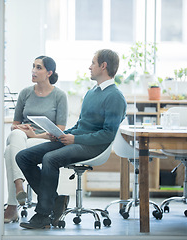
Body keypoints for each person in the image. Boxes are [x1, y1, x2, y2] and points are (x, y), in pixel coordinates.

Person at [16, 49, 127, 229]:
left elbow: (107, 134)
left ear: (103, 66)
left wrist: (75, 139)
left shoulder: (115, 97)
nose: (89, 67)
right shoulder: (92, 92)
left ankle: (43, 215)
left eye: (93, 63)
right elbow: (80, 125)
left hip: (95, 147)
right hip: (79, 140)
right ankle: (54, 201)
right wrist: (61, 134)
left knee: (50, 159)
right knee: (23, 157)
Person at [4, 56, 68, 223]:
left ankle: (12, 206)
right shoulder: (25, 93)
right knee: (15, 136)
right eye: (33, 66)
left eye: (38, 67)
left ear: (49, 73)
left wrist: (35, 135)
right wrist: (20, 128)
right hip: (23, 137)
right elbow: (15, 124)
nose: (33, 70)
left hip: (45, 140)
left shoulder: (59, 95)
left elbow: (60, 131)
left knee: (9, 151)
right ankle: (19, 185)